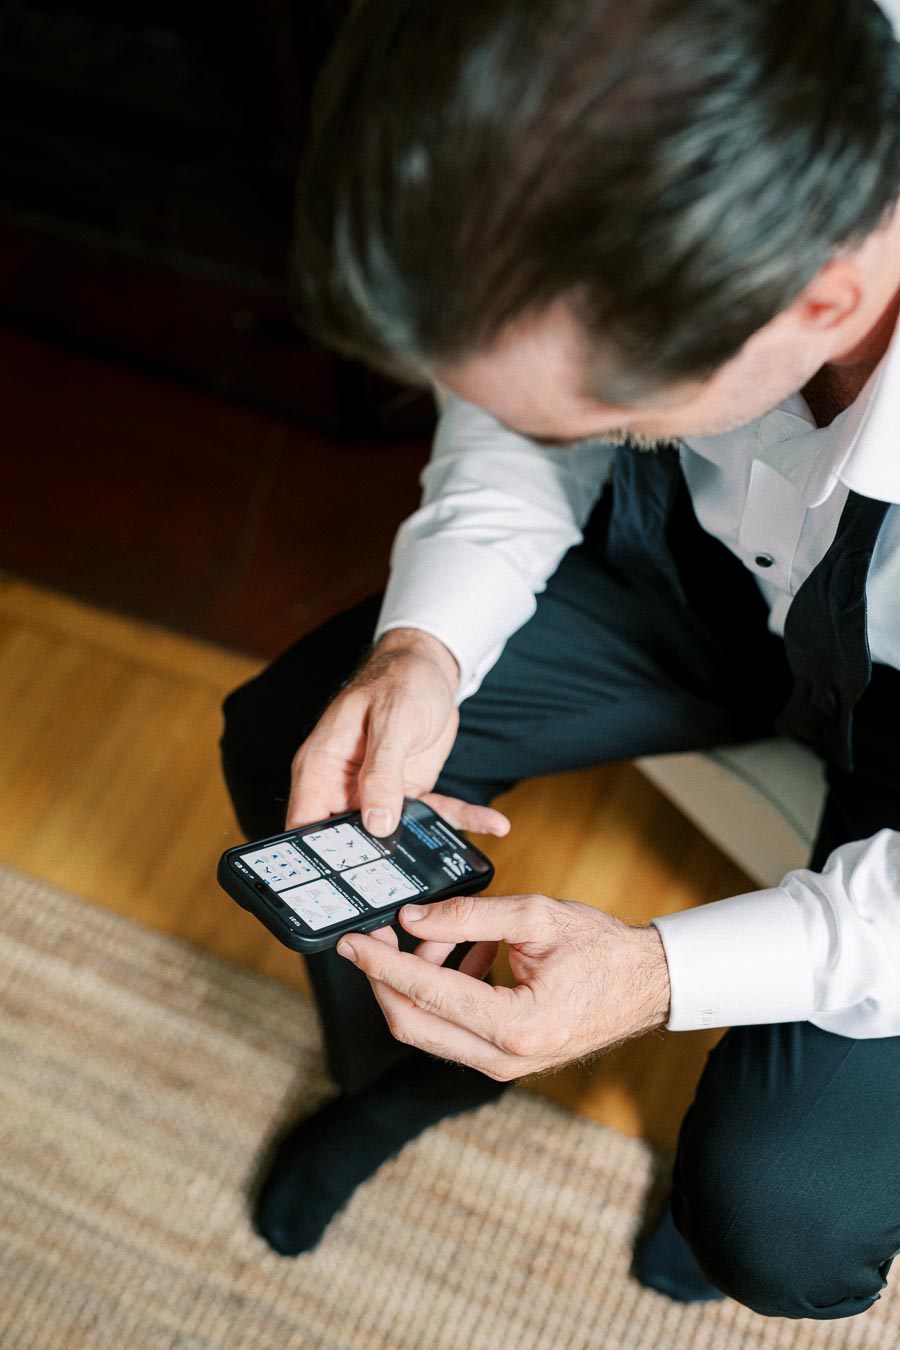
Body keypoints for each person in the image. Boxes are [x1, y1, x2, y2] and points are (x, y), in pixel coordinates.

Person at [220, 0, 900, 1320]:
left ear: (825, 300)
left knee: (781, 1217)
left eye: (609, 414)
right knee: (298, 739)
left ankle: (711, 1201)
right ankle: (421, 1067)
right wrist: (426, 639)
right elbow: (528, 383)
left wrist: (661, 974)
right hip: (694, 575)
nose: (558, 424)